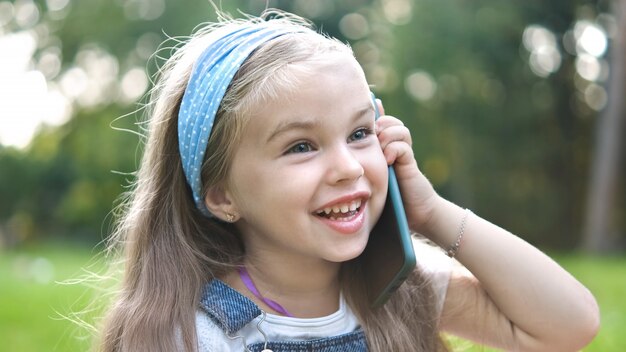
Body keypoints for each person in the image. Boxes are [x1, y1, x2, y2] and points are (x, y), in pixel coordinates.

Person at [97, 9, 599, 352]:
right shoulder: (197, 334)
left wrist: (431, 213)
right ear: (223, 195)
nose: (349, 167)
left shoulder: (403, 288)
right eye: (301, 146)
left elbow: (570, 324)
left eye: (360, 132)